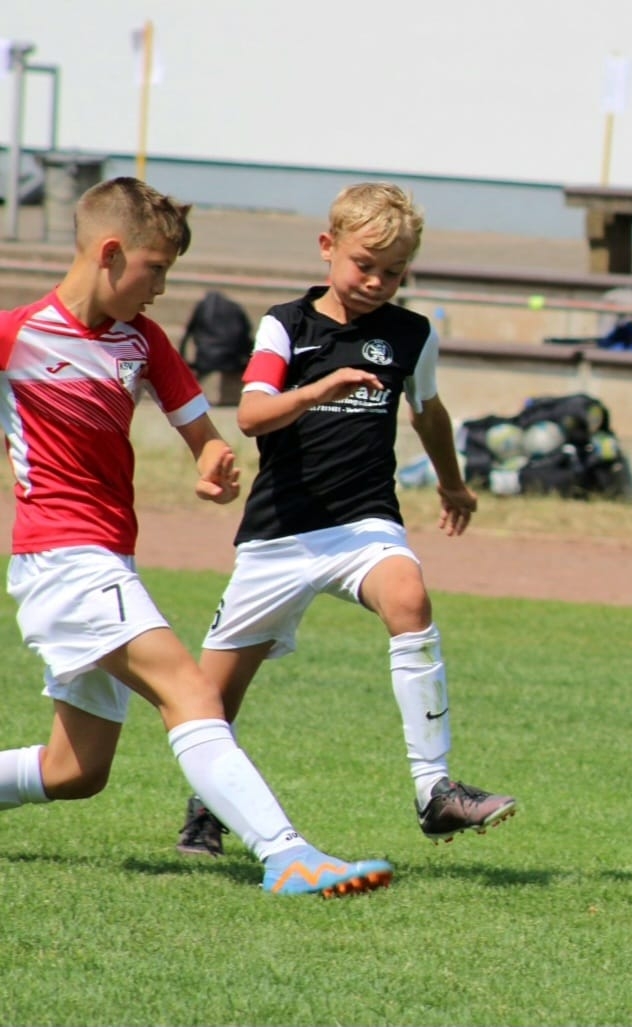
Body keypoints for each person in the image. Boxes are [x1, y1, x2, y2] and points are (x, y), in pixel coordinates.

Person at [0, 177, 392, 897]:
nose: (161, 290)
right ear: (110, 253)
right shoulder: (16, 335)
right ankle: (288, 855)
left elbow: (205, 436)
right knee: (191, 692)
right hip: (64, 558)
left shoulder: (142, 340)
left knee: (75, 770)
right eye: (155, 270)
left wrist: (213, 463)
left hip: (105, 558)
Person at [172, 183, 517, 859]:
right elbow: (252, 415)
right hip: (278, 535)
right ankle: (208, 808)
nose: (378, 281)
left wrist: (452, 483)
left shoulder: (411, 334)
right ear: (327, 247)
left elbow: (429, 411)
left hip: (364, 525)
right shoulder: (285, 326)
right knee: (208, 701)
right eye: (365, 264)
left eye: (394, 271)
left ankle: (434, 789)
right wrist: (320, 388)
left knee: (409, 595)